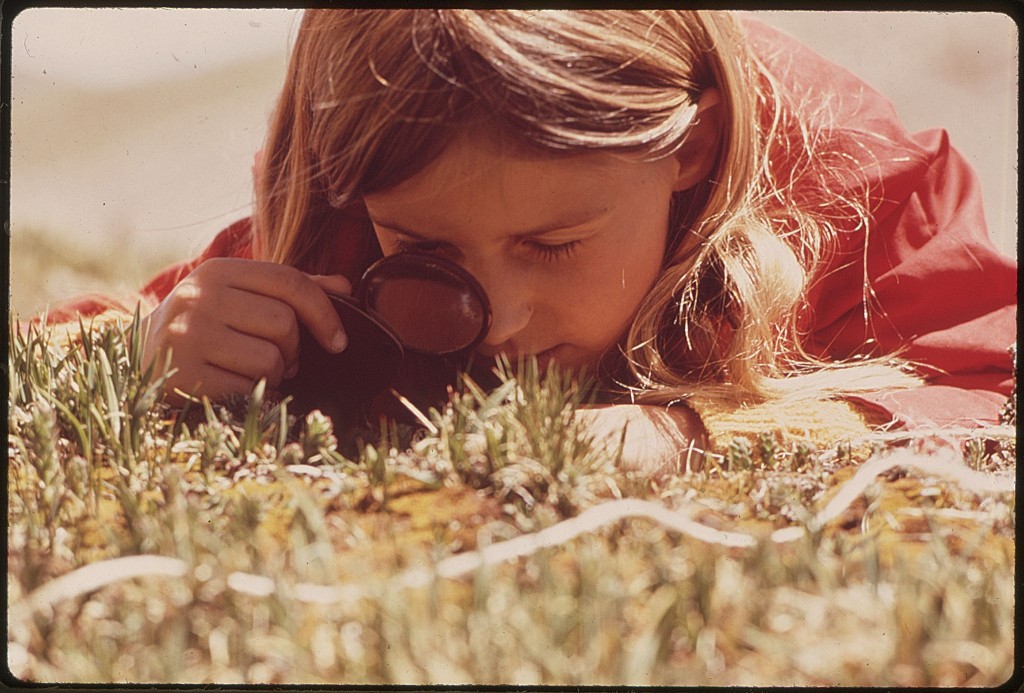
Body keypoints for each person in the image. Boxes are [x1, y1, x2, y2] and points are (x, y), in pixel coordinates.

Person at [45, 10, 1017, 476]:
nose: (500, 320)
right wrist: (145, 352)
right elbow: (83, 331)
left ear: (693, 149)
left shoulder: (854, 187)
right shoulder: (363, 183)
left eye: (552, 244)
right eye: (427, 248)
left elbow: (990, 390)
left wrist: (705, 433)